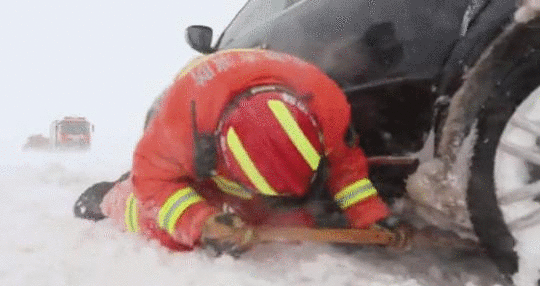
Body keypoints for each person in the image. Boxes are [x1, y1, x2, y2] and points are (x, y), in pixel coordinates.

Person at [74, 49, 410, 256]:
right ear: (221, 160)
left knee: (296, 224)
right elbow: (153, 180)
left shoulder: (327, 103)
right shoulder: (182, 121)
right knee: (164, 230)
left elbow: (345, 166)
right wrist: (201, 222)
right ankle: (111, 196)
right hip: (186, 134)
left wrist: (369, 216)